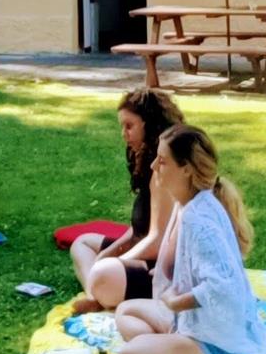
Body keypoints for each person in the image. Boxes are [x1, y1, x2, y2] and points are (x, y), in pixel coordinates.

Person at [113, 126, 266, 354]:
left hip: (221, 346)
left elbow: (222, 286)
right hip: (193, 324)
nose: (153, 165)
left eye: (162, 161)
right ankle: (170, 352)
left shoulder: (198, 218)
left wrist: (175, 301)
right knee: (126, 311)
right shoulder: (191, 203)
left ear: (186, 169)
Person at [70, 88, 185, 313]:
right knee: (82, 243)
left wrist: (117, 259)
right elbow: (138, 228)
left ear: (150, 125)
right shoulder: (146, 160)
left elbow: (158, 243)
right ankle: (95, 295)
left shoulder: (164, 171)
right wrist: (108, 253)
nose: (124, 134)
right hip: (145, 248)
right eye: (122, 126)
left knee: (104, 273)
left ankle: (99, 291)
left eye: (129, 126)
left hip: (163, 267)